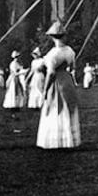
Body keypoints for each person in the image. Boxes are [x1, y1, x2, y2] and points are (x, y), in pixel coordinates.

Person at [37, 21, 81, 149]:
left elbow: (51, 73)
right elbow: (72, 67)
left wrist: (45, 90)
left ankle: (56, 141)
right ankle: (69, 140)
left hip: (57, 82)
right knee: (68, 107)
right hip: (67, 81)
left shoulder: (53, 54)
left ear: (51, 37)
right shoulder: (70, 51)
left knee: (55, 108)